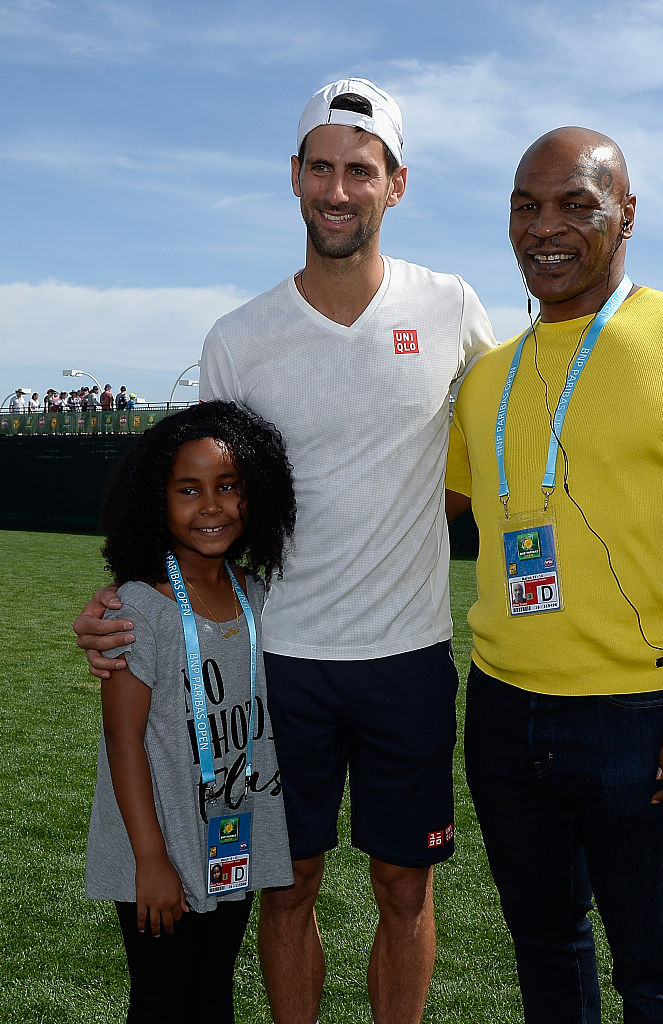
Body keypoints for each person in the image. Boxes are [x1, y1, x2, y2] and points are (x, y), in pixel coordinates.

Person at [73, 77, 496, 1024]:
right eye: (321, 168)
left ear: (396, 184)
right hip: (280, 661)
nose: (337, 191)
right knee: (287, 882)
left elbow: (494, 440)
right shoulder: (239, 337)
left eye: (361, 171)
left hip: (408, 655)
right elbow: (198, 497)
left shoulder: (451, 305)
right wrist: (119, 599)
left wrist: (410, 515)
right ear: (294, 176)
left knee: (404, 887)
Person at [445, 127, 663, 1023]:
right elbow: (418, 516)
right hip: (501, 708)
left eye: (575, 204)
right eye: (525, 206)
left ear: (626, 213)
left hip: (645, 717)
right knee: (544, 948)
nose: (544, 227)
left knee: (657, 970)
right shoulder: (486, 376)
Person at [85, 400, 297, 1024]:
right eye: (188, 489)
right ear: (156, 500)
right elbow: (123, 741)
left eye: (228, 486)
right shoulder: (138, 608)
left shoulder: (256, 593)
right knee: (162, 999)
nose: (211, 506)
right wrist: (150, 859)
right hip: (159, 840)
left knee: (212, 994)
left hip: (230, 837)